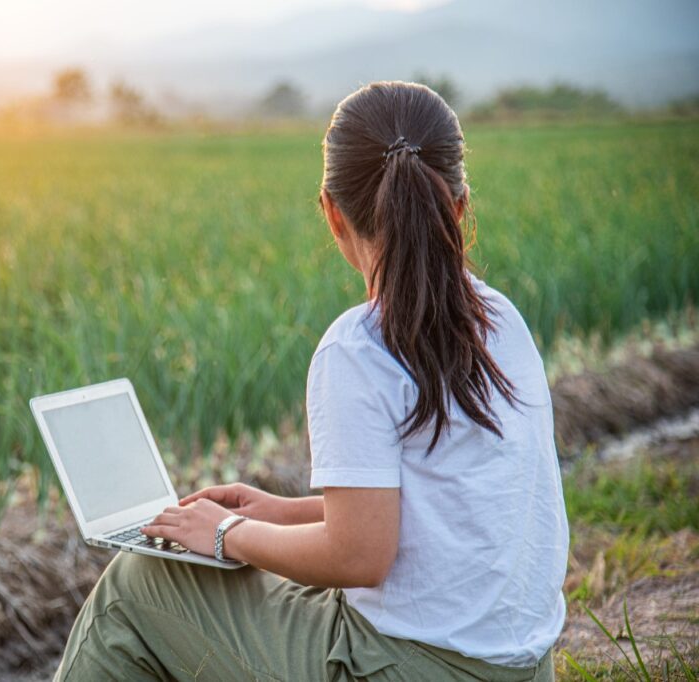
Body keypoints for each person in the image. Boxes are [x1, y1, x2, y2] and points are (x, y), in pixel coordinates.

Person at [51, 80, 569, 681]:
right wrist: (277, 512)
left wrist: (225, 533)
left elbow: (360, 556)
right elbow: (428, 515)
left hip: (412, 669)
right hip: (524, 669)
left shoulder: (359, 347)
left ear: (332, 213)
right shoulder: (502, 319)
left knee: (135, 585)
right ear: (459, 205)